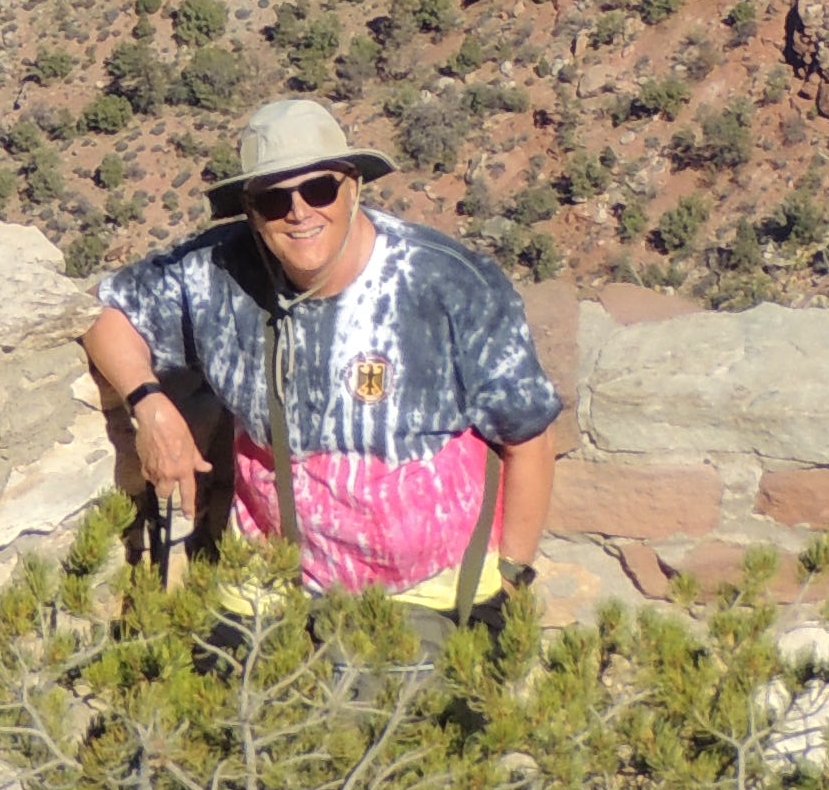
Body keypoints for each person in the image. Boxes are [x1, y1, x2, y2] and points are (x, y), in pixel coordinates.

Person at [82, 95, 561, 624]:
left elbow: (528, 438)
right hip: (270, 582)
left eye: (318, 189)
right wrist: (150, 405)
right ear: (250, 211)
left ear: (353, 187)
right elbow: (103, 316)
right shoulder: (214, 273)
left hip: (431, 590)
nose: (299, 211)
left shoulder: (447, 283)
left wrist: (511, 575)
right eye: (273, 199)